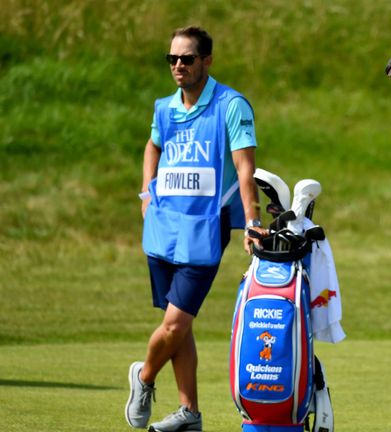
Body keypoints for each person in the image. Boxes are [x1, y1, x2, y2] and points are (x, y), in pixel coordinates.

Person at [125, 26, 267, 431]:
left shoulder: (232, 105)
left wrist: (252, 221)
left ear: (207, 61)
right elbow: (153, 146)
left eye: (187, 58)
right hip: (162, 228)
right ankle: (189, 413)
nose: (178, 66)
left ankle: (144, 376)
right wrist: (145, 193)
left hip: (203, 233)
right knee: (180, 324)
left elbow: (245, 168)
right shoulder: (163, 108)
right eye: (172, 59)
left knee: (175, 323)